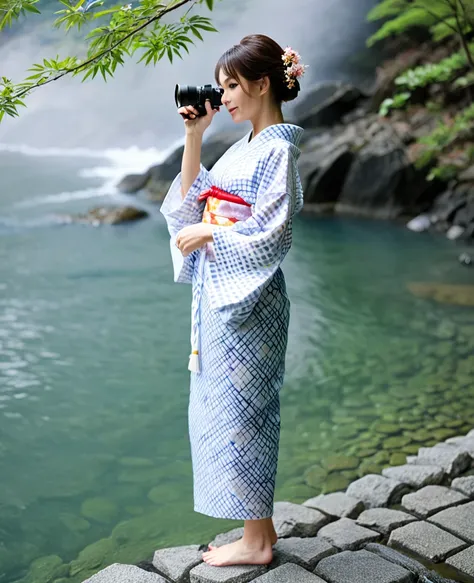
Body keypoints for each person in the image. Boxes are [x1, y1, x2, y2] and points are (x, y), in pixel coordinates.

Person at [160, 34, 306, 568]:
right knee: (226, 411)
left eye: (231, 87)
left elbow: (274, 233)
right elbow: (194, 200)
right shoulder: (243, 146)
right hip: (221, 298)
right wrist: (195, 136)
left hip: (250, 301)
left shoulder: (279, 150)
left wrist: (212, 235)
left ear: (262, 84)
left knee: (247, 414)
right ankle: (257, 534)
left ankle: (258, 542)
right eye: (221, 87)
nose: (223, 98)